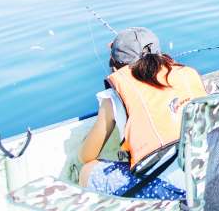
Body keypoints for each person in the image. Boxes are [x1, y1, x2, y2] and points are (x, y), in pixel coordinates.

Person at [79, 27, 207, 199]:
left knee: (87, 171)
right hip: (210, 175)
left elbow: (86, 156)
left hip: (179, 194)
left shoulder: (114, 97)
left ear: (116, 66)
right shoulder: (187, 75)